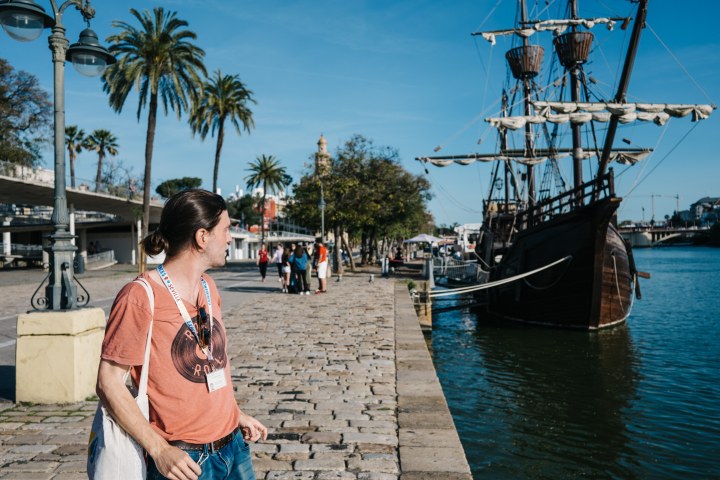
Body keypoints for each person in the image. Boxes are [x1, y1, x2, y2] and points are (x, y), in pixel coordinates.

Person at [95, 189, 267, 480]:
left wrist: (234, 414)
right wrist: (160, 450)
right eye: (225, 230)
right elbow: (108, 383)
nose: (230, 238)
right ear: (202, 237)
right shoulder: (139, 297)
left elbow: (214, 363)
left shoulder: (208, 287)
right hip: (183, 460)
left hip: (233, 447)